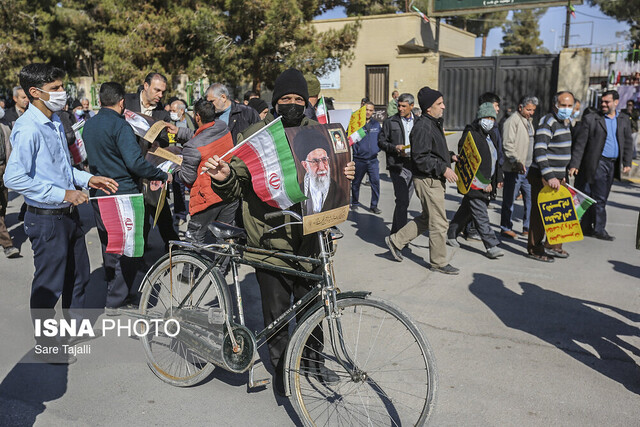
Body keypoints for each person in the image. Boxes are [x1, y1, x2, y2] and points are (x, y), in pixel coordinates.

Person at [203, 68, 355, 394]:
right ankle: (283, 369)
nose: (292, 104)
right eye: (285, 99)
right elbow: (236, 188)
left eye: (298, 99)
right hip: (268, 238)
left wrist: (346, 170)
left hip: (311, 237)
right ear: (275, 102)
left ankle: (315, 362)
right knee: (276, 312)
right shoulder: (255, 136)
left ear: (307, 102)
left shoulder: (319, 132)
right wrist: (225, 175)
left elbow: (333, 178)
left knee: (312, 305)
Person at [3, 63, 118, 363]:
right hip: (45, 218)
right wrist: (62, 194)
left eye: (61, 86)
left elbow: (61, 169)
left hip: (69, 215)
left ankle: (73, 328)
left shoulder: (54, 121)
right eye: (54, 89)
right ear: (34, 92)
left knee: (79, 276)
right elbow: (13, 179)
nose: (61, 93)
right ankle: (48, 344)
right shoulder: (28, 128)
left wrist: (86, 179)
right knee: (48, 285)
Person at [83, 82, 169, 312]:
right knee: (129, 248)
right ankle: (119, 298)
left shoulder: (89, 125)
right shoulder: (120, 126)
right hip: (123, 194)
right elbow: (135, 162)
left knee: (110, 246)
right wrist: (161, 173)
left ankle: (114, 288)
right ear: (121, 102)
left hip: (99, 194)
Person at [384, 86, 460, 275]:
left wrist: (450, 157)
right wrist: (443, 168)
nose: (443, 106)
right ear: (428, 108)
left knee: (428, 218)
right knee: (440, 222)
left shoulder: (432, 123)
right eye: (439, 104)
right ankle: (439, 262)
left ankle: (396, 240)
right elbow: (420, 158)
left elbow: (434, 151)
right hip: (428, 180)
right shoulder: (423, 127)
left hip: (433, 178)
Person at [175, 98, 236, 257]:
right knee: (224, 239)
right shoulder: (223, 127)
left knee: (194, 238)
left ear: (197, 117)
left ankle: (188, 273)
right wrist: (178, 132)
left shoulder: (192, 147)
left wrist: (177, 167)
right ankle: (221, 272)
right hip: (229, 191)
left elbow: (187, 178)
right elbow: (204, 134)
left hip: (206, 197)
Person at [124, 72, 178, 252]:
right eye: (157, 90)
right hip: (128, 169)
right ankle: (139, 252)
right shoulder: (126, 102)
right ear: (145, 86)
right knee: (137, 214)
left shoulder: (162, 112)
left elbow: (165, 141)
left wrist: (153, 136)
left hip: (152, 169)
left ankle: (175, 250)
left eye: (163, 92)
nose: (160, 95)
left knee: (161, 212)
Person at [569, 90, 633, 241]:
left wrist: (627, 162)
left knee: (599, 195)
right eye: (602, 101)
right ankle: (599, 229)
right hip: (598, 162)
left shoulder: (623, 119)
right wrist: (575, 164)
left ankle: (586, 226)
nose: (603, 104)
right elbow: (581, 143)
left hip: (613, 164)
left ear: (616, 103)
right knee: (600, 196)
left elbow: (628, 142)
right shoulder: (592, 119)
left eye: (607, 102)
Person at [447, 103, 503, 259]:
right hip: (475, 184)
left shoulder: (490, 135)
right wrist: (483, 183)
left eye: (492, 118)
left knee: (466, 210)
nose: (490, 121)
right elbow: (469, 162)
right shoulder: (470, 135)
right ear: (479, 118)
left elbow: (495, 159)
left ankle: (451, 233)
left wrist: (497, 178)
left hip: (486, 183)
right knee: (480, 213)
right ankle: (491, 245)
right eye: (487, 117)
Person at [527, 91, 575, 262]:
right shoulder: (548, 122)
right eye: (563, 105)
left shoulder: (566, 122)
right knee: (541, 214)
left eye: (570, 106)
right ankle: (535, 248)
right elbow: (540, 151)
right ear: (555, 105)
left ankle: (553, 245)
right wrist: (550, 176)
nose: (566, 109)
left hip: (559, 176)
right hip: (543, 176)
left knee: (560, 212)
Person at [500, 95, 538, 239]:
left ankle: (527, 227)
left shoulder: (528, 122)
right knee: (509, 200)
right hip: (514, 169)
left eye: (533, 110)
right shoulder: (512, 121)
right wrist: (516, 161)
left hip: (528, 168)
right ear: (520, 107)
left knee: (529, 200)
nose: (531, 112)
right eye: (529, 109)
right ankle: (505, 227)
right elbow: (508, 144)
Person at [378, 93, 416, 233]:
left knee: (404, 203)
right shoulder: (390, 122)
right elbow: (381, 142)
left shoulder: (418, 122)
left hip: (413, 165)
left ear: (411, 106)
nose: (400, 108)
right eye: (399, 105)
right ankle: (397, 237)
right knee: (402, 201)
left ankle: (398, 235)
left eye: (404, 106)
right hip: (397, 165)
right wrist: (395, 148)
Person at [297, 142, 346, 215]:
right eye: (315, 161)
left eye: (324, 160)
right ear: (305, 166)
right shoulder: (298, 190)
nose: (322, 167)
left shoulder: (338, 191)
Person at [351, 102, 382, 213]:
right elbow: (349, 138)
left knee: (375, 183)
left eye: (371, 110)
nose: (368, 112)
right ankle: (354, 202)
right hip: (359, 159)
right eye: (366, 110)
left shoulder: (376, 125)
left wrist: (377, 149)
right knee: (356, 183)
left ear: (373, 111)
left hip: (373, 160)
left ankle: (374, 205)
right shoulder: (356, 124)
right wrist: (356, 151)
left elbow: (380, 139)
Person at [0, 117, 19, 258]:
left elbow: (9, 149)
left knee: (3, 204)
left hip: (3, 169)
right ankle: (7, 244)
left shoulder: (4, 128)